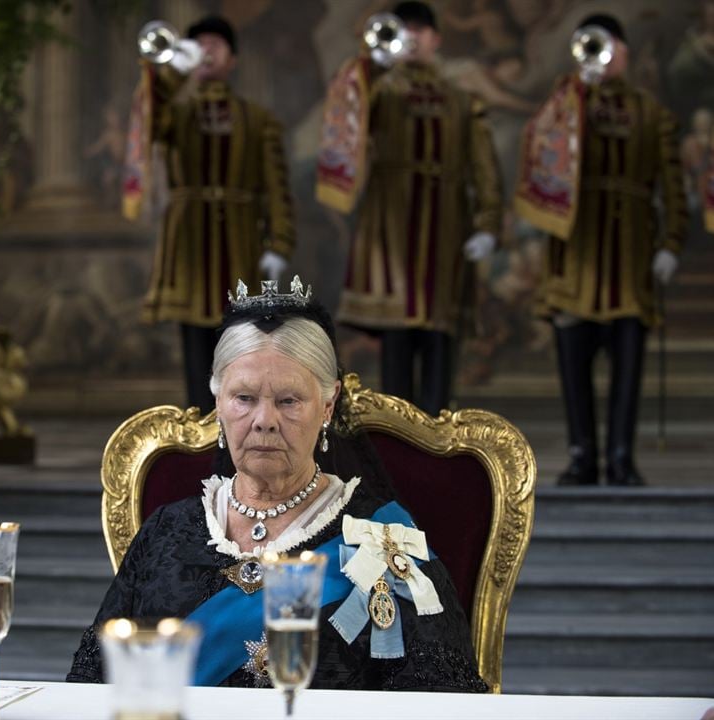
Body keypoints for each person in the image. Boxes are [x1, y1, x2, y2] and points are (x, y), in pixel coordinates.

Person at [67, 277, 486, 691]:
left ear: (327, 405)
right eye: (244, 398)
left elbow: (444, 703)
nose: (264, 420)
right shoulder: (164, 533)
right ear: (218, 403)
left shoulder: (384, 542)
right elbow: (92, 689)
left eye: (288, 401)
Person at [514, 14, 687, 486]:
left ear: (625, 52)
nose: (599, 56)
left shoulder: (651, 112)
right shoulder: (564, 103)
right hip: (577, 255)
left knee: (628, 368)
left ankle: (622, 457)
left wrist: (671, 243)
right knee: (574, 367)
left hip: (630, 257)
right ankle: (582, 455)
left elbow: (672, 186)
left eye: (608, 46)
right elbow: (537, 151)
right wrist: (575, 93)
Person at [316, 1, 503, 416]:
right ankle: (397, 454)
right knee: (397, 342)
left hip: (447, 228)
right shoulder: (377, 91)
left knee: (441, 340)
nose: (413, 37)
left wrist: (488, 224)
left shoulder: (461, 100)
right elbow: (345, 120)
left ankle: (437, 446)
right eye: (405, 30)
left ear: (436, 39)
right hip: (392, 228)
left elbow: (484, 168)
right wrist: (369, 67)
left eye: (422, 30)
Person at [124, 15, 295, 414]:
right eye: (198, 45)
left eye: (216, 44)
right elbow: (146, 123)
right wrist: (171, 75)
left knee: (239, 341)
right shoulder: (176, 113)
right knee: (194, 345)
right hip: (189, 241)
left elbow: (277, 189)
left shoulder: (257, 118)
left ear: (233, 58)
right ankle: (198, 429)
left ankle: (235, 431)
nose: (206, 51)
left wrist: (279, 242)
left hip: (239, 239)